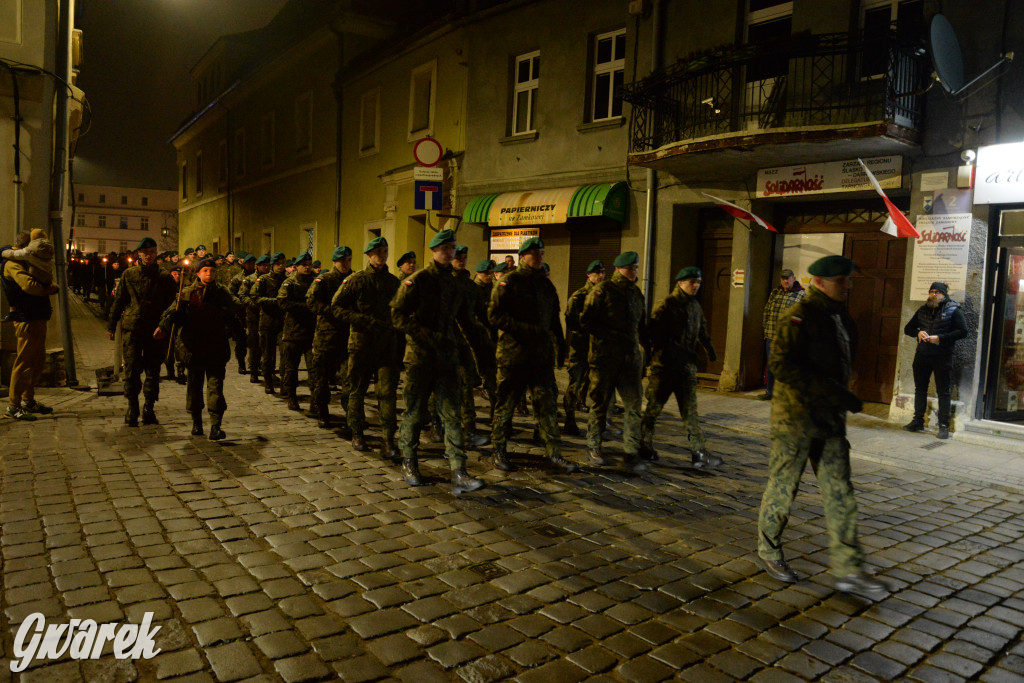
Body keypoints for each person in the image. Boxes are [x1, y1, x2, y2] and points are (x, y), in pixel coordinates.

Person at [756, 254, 886, 597]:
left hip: (828, 423)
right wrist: (832, 391)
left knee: (840, 493)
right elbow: (781, 366)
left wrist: (840, 394)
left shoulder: (838, 316)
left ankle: (848, 568)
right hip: (795, 422)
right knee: (783, 489)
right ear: (819, 282)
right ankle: (769, 550)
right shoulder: (798, 316)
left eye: (849, 279)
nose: (848, 285)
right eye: (841, 280)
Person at [392, 229, 488, 494]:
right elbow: (397, 315)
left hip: (446, 359)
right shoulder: (418, 280)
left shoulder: (456, 283)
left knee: (452, 415)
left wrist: (482, 352)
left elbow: (467, 321)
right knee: (415, 413)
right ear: (434, 251)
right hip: (420, 359)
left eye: (452, 248)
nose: (449, 252)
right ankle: (409, 463)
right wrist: (425, 336)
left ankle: (459, 470)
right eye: (444, 248)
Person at [488, 237, 578, 474]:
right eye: (535, 253)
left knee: (546, 407)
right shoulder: (510, 282)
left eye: (542, 253)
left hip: (540, 358)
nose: (539, 257)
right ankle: (498, 451)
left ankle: (554, 454)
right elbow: (494, 315)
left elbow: (554, 321)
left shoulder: (546, 286)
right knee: (505, 405)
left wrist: (560, 346)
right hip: (514, 355)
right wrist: (524, 329)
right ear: (523, 257)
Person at [640, 267, 721, 467]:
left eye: (698, 282)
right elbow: (653, 335)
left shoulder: (695, 306)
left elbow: (702, 330)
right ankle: (643, 445)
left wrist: (710, 350)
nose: (696, 286)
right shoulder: (667, 305)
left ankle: (698, 452)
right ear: (680, 283)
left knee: (690, 412)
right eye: (692, 282)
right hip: (665, 369)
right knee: (653, 410)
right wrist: (652, 358)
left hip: (685, 370)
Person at [579, 251, 649, 471]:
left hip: (630, 361)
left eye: (636, 268)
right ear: (619, 269)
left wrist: (649, 352)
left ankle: (630, 451)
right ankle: (594, 445)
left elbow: (642, 327)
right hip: (605, 360)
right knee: (600, 405)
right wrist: (610, 336)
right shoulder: (603, 291)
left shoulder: (637, 293)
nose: (634, 271)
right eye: (630, 268)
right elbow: (585, 321)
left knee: (633, 406)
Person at [331, 237, 401, 457]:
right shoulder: (356, 280)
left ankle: (389, 439)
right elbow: (337, 307)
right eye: (378, 252)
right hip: (361, 345)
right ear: (369, 255)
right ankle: (357, 432)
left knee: (387, 394)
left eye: (385, 251)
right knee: (357, 391)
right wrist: (363, 320)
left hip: (386, 347)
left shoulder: (393, 282)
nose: (382, 255)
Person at [156, 259, 239, 440]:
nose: (209, 274)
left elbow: (233, 311)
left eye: (212, 271)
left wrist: (233, 327)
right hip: (193, 347)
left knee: (215, 387)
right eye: (205, 270)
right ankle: (197, 423)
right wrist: (164, 326)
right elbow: (171, 311)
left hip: (215, 346)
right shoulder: (187, 293)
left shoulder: (222, 293)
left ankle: (216, 425)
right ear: (198, 273)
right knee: (194, 386)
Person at [108, 237, 178, 426]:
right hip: (133, 329)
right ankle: (132, 405)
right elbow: (120, 300)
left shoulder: (164, 277)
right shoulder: (129, 275)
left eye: (153, 252)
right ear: (139, 253)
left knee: (153, 370)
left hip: (155, 330)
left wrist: (165, 325)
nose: (149, 256)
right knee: (131, 369)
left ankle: (149, 406)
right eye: (146, 253)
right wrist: (112, 324)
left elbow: (173, 303)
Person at [1, 230, 60, 420]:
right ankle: (13, 405)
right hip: (26, 318)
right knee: (24, 362)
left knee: (37, 360)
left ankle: (28, 400)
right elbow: (28, 286)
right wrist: (48, 289)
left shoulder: (25, 261)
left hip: (36, 317)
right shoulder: (12, 264)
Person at [902, 281, 968, 439]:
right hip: (922, 355)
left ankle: (943, 425)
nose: (933, 294)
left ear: (944, 294)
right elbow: (908, 329)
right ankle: (918, 421)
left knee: (943, 391)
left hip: (942, 356)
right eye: (931, 291)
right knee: (920, 389)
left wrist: (940, 338)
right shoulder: (923, 309)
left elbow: (963, 331)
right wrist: (918, 333)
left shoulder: (953, 310)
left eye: (937, 292)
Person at [451, 244, 496, 446]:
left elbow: (481, 315)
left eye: (464, 256)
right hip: (442, 343)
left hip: (465, 344)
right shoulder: (441, 281)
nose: (461, 259)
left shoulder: (469, 286)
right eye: (457, 256)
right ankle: (437, 426)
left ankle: (469, 430)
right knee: (438, 390)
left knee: (466, 386)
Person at [307, 246, 353, 429]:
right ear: (334, 262)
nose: (345, 264)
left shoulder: (354, 279)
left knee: (350, 378)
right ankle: (323, 411)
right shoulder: (324, 280)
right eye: (342, 261)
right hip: (326, 336)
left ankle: (351, 414)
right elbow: (311, 301)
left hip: (348, 336)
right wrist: (332, 312)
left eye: (348, 260)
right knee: (322, 378)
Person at [563, 259, 604, 435]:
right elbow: (571, 320)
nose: (601, 276)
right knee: (575, 381)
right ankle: (570, 418)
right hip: (580, 347)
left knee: (596, 384)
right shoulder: (578, 296)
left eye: (603, 272)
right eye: (597, 273)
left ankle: (596, 422)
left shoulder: (604, 295)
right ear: (589, 275)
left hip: (597, 348)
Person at [277, 251, 317, 411]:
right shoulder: (290, 283)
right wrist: (306, 308)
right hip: (293, 332)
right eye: (304, 265)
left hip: (312, 332)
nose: (307, 268)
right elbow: (283, 302)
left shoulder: (316, 282)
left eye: (309, 265)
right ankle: (292, 397)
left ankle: (315, 400)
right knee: (291, 368)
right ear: (296, 267)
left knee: (314, 369)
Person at [761, 268, 805, 400]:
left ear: (794, 278)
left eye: (788, 278)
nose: (785, 281)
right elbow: (767, 311)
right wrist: (765, 329)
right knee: (771, 364)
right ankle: (770, 392)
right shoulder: (775, 292)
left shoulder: (801, 294)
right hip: (771, 335)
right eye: (783, 279)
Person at [252, 252, 288, 394]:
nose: (281, 266)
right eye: (278, 264)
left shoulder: (288, 280)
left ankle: (286, 383)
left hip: (284, 322)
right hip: (267, 321)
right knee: (268, 354)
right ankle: (268, 381)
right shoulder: (264, 280)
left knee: (285, 354)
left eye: (283, 264)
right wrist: (274, 302)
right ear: (273, 265)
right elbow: (255, 297)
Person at [241, 254, 270, 383]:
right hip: (253, 316)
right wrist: (253, 304)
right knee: (254, 345)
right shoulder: (250, 279)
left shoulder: (270, 279)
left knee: (267, 345)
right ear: (258, 266)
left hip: (268, 316)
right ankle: (253, 371)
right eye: (264, 265)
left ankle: (267, 370)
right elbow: (242, 295)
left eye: (268, 265)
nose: (266, 267)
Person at [228, 254, 256, 374]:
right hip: (241, 313)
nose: (250, 265)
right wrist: (240, 302)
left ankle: (254, 364)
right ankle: (241, 364)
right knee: (241, 341)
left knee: (255, 341)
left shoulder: (259, 277)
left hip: (254, 312)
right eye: (248, 263)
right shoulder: (238, 278)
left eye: (252, 263)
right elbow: (231, 294)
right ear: (244, 264)